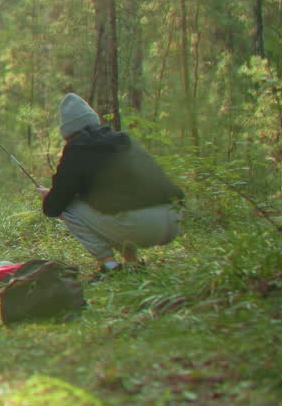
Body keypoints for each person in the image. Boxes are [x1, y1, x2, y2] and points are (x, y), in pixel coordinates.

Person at [37, 93, 183, 276]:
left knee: (69, 209)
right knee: (113, 212)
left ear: (67, 131)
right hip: (173, 218)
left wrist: (49, 196)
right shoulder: (124, 140)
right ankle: (133, 264)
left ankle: (111, 268)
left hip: (143, 226)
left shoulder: (76, 150)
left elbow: (54, 207)